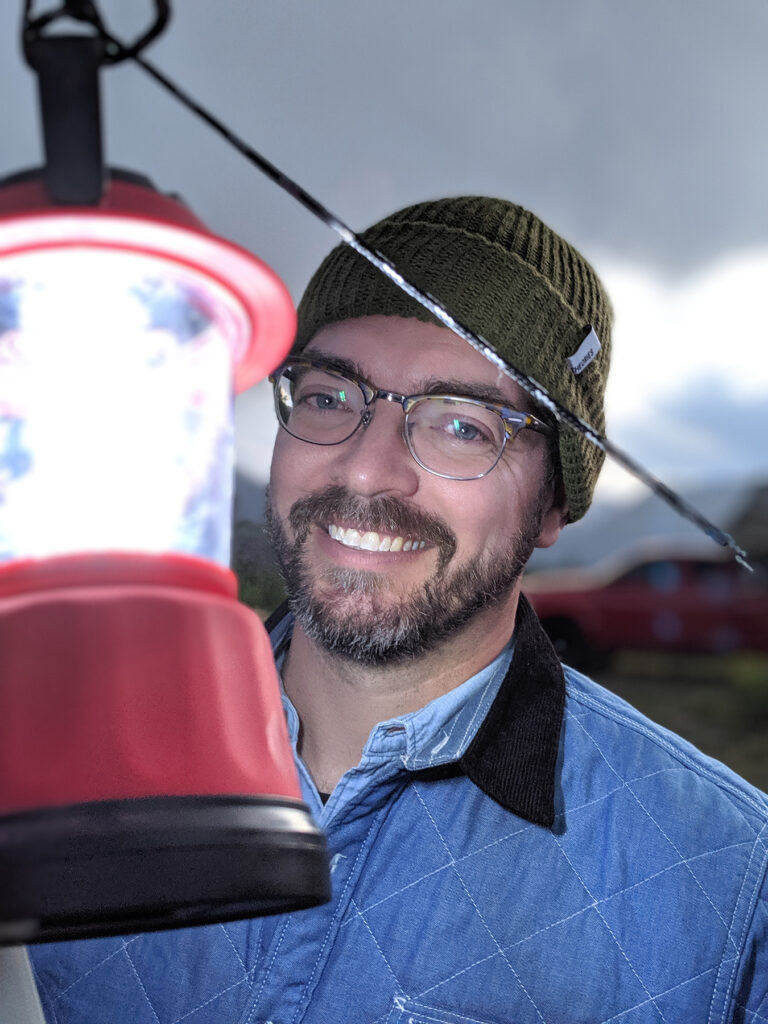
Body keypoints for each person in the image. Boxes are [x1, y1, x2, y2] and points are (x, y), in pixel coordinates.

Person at [31, 197, 768, 1022]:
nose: (366, 471)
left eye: (461, 425)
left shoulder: (731, 886)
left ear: (555, 502)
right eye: (328, 398)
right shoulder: (56, 761)